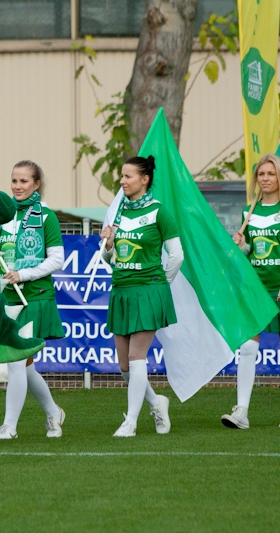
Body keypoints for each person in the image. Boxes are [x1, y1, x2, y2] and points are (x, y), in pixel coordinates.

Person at [220, 153, 280, 430]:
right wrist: (241, 246)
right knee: (248, 348)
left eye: (270, 174)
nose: (265, 179)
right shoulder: (248, 212)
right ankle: (241, 412)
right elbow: (251, 252)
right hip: (255, 289)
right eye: (260, 174)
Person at [99, 155, 183, 437]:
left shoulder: (159, 211)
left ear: (144, 180)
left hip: (148, 291)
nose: (122, 181)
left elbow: (177, 255)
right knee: (124, 366)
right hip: (121, 291)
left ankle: (130, 422)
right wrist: (109, 244)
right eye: (121, 176)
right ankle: (157, 403)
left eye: (128, 176)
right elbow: (108, 258)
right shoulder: (118, 212)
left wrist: (160, 284)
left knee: (137, 358)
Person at [0, 160, 67, 439]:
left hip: (35, 297)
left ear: (37, 184)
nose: (17, 186)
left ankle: (9, 427)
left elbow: (57, 259)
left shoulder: (46, 216)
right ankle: (53, 413)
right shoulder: (3, 214)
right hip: (7, 298)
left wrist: (23, 274)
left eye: (24, 181)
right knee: (25, 366)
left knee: (15, 362)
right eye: (14, 180)